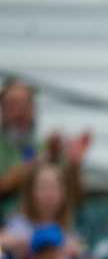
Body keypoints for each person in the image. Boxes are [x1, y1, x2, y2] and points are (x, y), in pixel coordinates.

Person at [0, 79, 91, 218]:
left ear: (33, 109)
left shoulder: (44, 146)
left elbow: (76, 198)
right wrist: (39, 160)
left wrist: (74, 165)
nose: (20, 112)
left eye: (25, 105)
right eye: (13, 105)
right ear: (3, 109)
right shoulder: (44, 150)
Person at [4, 161, 87, 259]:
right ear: (31, 193)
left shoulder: (68, 232)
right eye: (43, 187)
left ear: (63, 193)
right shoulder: (18, 225)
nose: (49, 194)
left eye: (54, 187)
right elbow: (4, 241)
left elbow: (84, 255)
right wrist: (28, 242)